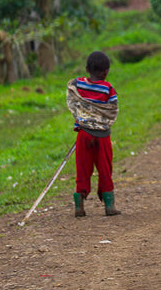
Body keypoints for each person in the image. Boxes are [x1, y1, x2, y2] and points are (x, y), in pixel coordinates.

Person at [67, 50, 121, 217]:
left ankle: (79, 207)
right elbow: (112, 109)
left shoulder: (78, 85)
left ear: (86, 69)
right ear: (106, 72)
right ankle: (109, 206)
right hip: (102, 137)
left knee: (83, 169)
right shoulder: (108, 88)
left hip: (83, 135)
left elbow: (75, 104)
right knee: (105, 169)